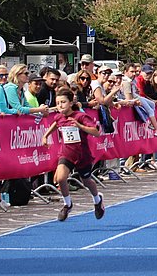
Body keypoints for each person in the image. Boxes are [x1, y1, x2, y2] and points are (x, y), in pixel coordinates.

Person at [41, 87, 105, 221]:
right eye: (58, 103)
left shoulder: (80, 116)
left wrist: (80, 126)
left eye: (63, 102)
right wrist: (45, 136)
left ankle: (97, 199)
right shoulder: (59, 116)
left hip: (82, 154)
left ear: (71, 103)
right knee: (60, 178)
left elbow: (96, 132)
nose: (60, 105)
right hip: (66, 153)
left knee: (86, 181)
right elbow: (55, 123)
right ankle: (67, 204)